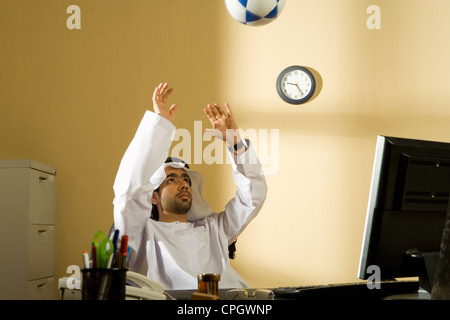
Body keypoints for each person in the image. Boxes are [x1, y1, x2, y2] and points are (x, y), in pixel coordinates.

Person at [113, 83, 267, 290]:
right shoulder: (143, 233)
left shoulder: (215, 229)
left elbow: (253, 197)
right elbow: (129, 192)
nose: (184, 184)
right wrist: (160, 128)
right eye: (171, 180)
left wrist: (236, 143)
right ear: (153, 197)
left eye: (186, 180)